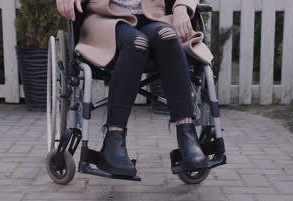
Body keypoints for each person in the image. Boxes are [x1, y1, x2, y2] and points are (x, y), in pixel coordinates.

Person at [57, 0, 213, 177]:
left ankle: (187, 136)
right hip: (106, 20)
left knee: (169, 37)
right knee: (137, 43)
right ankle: (113, 139)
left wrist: (182, 7)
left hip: (153, 18)